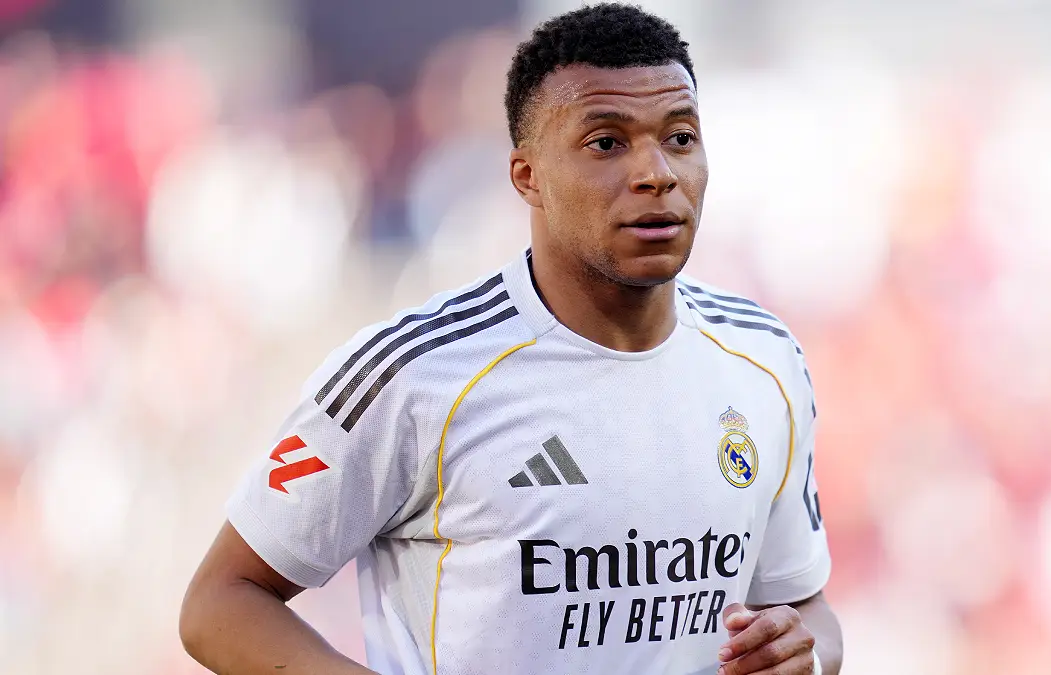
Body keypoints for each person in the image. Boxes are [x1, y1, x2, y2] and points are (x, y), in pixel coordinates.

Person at [179, 4, 843, 674]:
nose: (657, 173)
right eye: (606, 143)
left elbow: (807, 607)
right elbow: (221, 601)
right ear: (528, 177)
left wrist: (806, 656)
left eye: (679, 137)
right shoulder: (416, 374)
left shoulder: (764, 360)